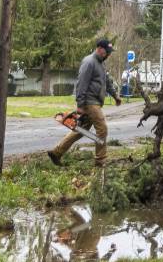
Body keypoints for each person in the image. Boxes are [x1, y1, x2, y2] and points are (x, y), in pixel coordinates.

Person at [47, 38, 121, 168]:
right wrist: (80, 105)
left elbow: (107, 81)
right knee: (102, 130)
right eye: (107, 51)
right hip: (89, 102)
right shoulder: (89, 62)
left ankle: (56, 152)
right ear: (100, 49)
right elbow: (81, 84)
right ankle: (100, 161)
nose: (109, 54)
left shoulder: (101, 64)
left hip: (95, 102)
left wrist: (115, 96)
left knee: (80, 130)